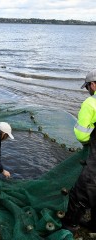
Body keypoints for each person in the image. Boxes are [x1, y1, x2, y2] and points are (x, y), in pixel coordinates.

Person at [62, 69, 96, 233]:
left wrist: (87, 143)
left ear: (93, 84)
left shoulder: (91, 103)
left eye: (88, 86)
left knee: (81, 192)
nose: (88, 90)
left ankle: (70, 226)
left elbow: (82, 134)